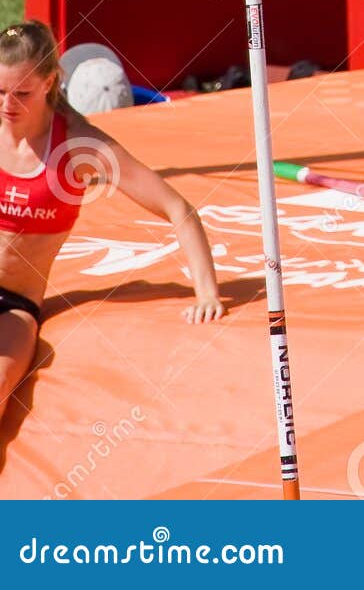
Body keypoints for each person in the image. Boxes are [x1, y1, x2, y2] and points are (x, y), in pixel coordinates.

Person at [0, 21, 225, 426]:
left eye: (21, 94)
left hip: (14, 305)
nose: (7, 106)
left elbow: (179, 209)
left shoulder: (79, 146)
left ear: (50, 82)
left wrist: (207, 293)